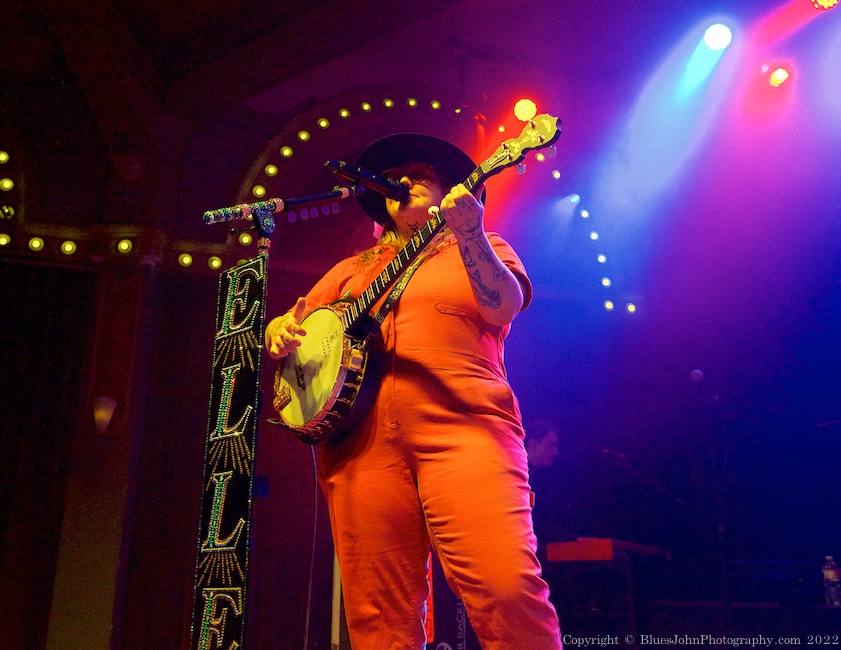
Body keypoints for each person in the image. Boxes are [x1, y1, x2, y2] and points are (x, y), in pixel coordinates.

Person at [265, 133, 562, 649]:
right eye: (398, 176)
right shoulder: (350, 272)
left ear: (449, 188)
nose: (406, 181)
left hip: (467, 428)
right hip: (360, 446)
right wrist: (279, 334)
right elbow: (299, 338)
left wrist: (469, 233)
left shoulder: (487, 247)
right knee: (378, 613)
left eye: (421, 174)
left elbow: (502, 306)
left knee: (505, 584)